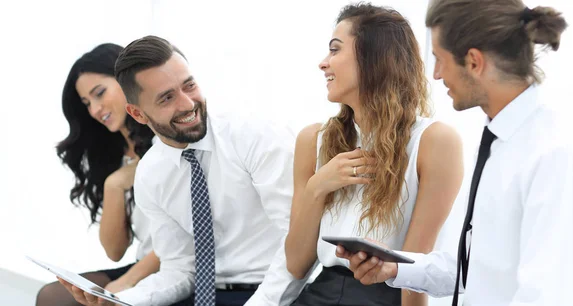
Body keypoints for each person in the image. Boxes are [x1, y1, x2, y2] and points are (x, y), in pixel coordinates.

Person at [338, 1, 573, 305]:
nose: (435, 75)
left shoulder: (554, 154)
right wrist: (395, 267)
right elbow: (478, 270)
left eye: (439, 59)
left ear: (474, 62)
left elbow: (546, 295)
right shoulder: (498, 143)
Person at [58, 35, 308, 306]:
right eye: (166, 98)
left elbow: (296, 241)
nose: (187, 104)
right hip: (204, 292)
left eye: (189, 86)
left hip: (273, 288)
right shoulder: (151, 173)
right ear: (138, 114)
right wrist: (122, 300)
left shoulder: (254, 135)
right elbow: (179, 269)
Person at [285, 3, 464, 306]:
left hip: (386, 297)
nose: (323, 63)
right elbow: (296, 263)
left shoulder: (434, 141)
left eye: (335, 50)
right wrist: (318, 185)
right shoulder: (312, 140)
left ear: (373, 59)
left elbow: (415, 269)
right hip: (318, 295)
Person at [36, 43, 158, 306]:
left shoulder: (167, 141)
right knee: (53, 297)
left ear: (127, 80)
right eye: (87, 103)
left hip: (178, 265)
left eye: (99, 93)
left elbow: (191, 238)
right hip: (143, 265)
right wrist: (114, 185)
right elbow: (114, 251)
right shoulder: (114, 155)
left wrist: (126, 282)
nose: (94, 109)